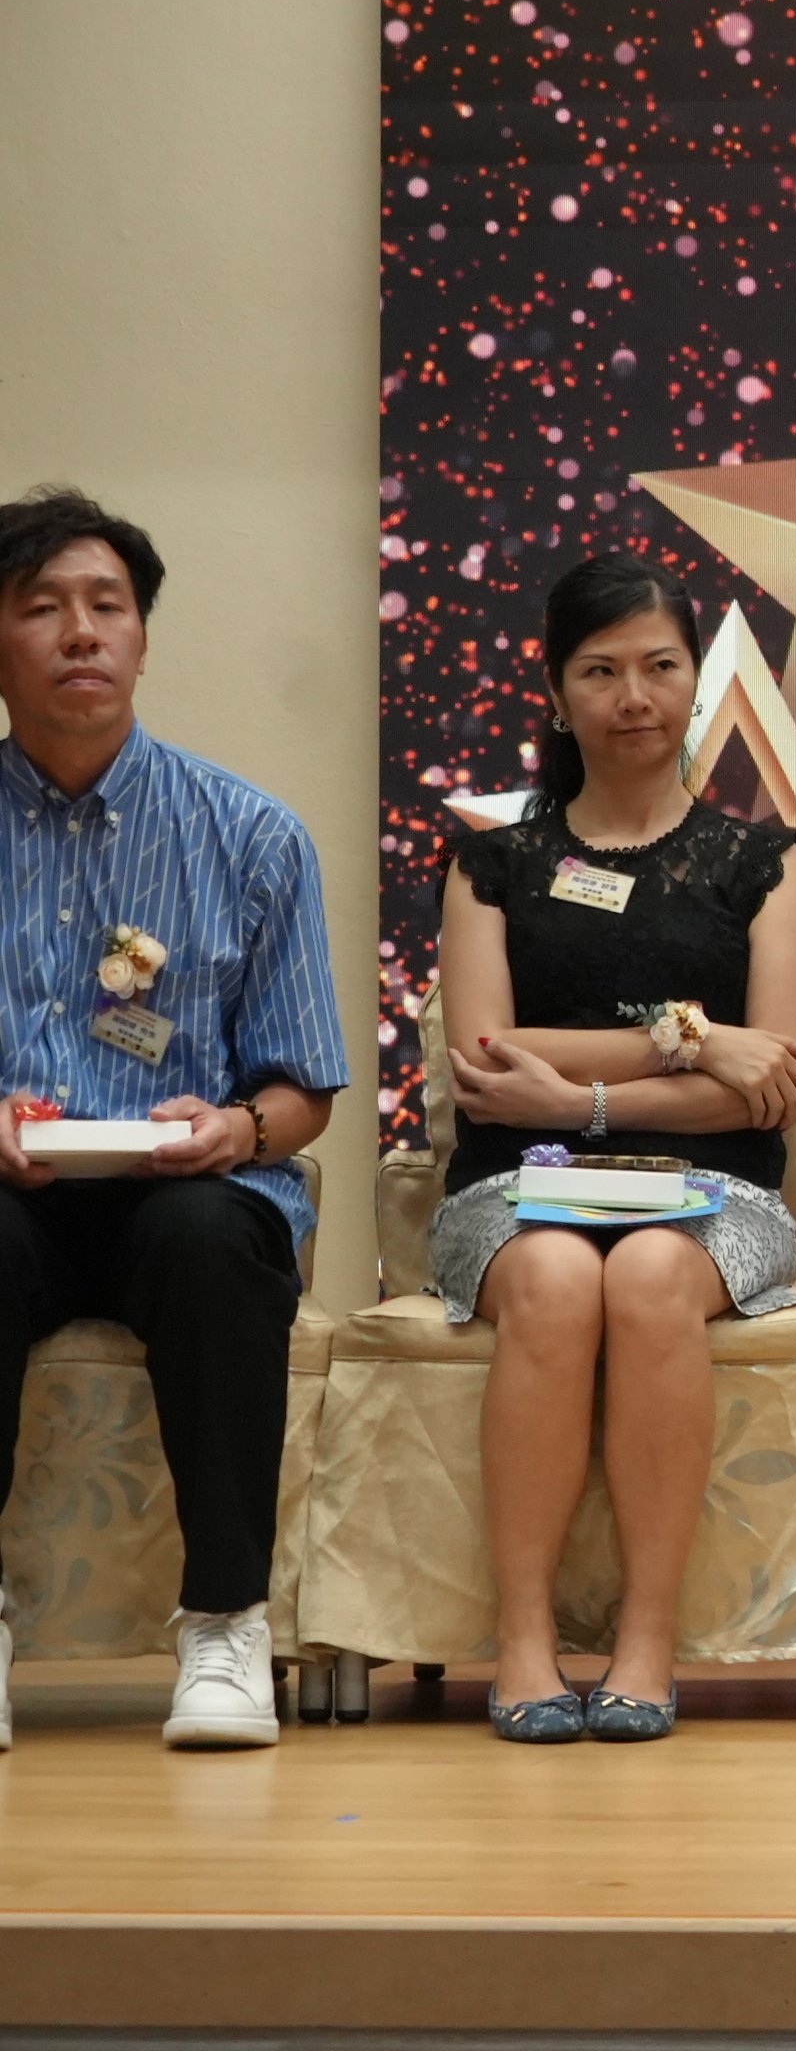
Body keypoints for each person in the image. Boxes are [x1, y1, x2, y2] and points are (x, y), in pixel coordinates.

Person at [429, 554, 796, 1741]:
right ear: (557, 694)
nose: (634, 696)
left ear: (696, 682)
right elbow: (489, 1061)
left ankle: (648, 1641)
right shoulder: (493, 864)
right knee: (555, 1274)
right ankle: (526, 1642)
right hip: (518, 1188)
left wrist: (580, 1094)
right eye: (600, 671)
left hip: (713, 1195)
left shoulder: (764, 863)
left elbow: (773, 1090)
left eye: (660, 667)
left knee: (651, 1272)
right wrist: (696, 1044)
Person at [0, 486, 348, 1752]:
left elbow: (303, 1090)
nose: (80, 632)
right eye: (43, 607)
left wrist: (241, 1131)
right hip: (12, 1195)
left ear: (144, 638)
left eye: (107, 606)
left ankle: (224, 1624)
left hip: (189, 1187)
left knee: (208, 1238)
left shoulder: (249, 834)